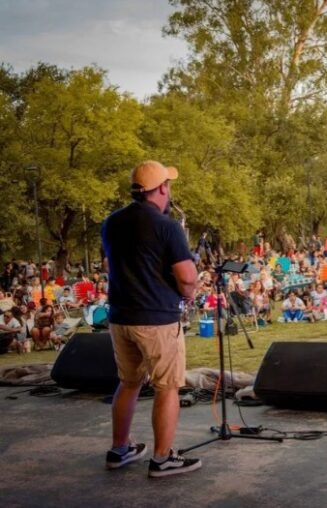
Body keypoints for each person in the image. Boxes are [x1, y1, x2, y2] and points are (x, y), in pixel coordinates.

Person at [101, 160, 201, 477]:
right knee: (167, 387)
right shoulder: (166, 225)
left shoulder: (111, 222)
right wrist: (188, 293)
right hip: (156, 318)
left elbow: (114, 265)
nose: (169, 191)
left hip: (120, 315)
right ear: (161, 189)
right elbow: (186, 276)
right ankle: (162, 458)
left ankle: (119, 450)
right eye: (167, 185)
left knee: (129, 383)